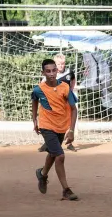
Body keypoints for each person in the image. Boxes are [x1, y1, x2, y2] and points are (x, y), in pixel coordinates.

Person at [32, 59, 79, 201]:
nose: (51, 74)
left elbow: (73, 109)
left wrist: (71, 130)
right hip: (46, 126)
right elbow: (34, 101)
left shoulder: (65, 87)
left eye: (53, 70)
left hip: (61, 126)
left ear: (57, 71)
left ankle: (42, 174)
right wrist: (35, 120)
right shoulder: (38, 89)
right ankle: (66, 189)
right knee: (60, 155)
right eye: (48, 71)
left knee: (53, 154)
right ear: (43, 73)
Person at [38, 53, 77, 152]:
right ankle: (48, 143)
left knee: (69, 122)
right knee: (52, 123)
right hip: (54, 104)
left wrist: (70, 92)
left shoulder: (69, 72)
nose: (61, 66)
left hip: (66, 102)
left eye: (63, 63)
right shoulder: (50, 75)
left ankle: (70, 143)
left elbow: (73, 81)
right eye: (59, 64)